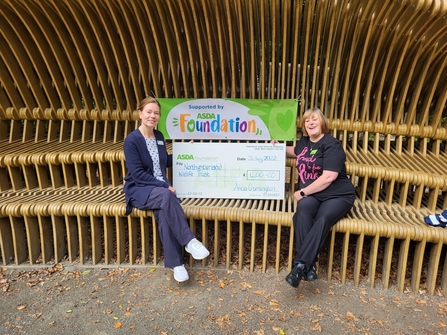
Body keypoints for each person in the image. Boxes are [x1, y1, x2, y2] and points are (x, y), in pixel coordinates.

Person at [123, 97, 209, 283]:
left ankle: (176, 264)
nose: (152, 116)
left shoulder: (159, 137)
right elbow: (137, 174)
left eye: (156, 113)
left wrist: (187, 150)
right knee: (167, 196)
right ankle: (189, 241)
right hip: (140, 190)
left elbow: (164, 161)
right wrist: (164, 185)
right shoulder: (132, 140)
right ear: (140, 114)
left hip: (161, 193)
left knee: (164, 212)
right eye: (149, 112)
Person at [272, 107, 355, 288]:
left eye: (314, 119)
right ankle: (309, 267)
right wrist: (277, 146)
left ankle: (300, 265)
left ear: (322, 122)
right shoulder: (305, 143)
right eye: (307, 120)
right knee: (302, 212)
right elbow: (295, 151)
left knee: (322, 218)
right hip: (315, 193)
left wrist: (302, 192)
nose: (310, 123)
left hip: (337, 194)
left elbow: (329, 177)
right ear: (304, 125)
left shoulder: (332, 145)